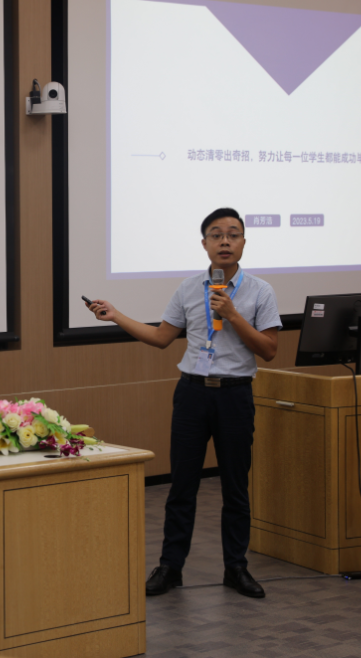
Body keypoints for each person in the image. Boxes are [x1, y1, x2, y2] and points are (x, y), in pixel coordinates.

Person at [88, 207, 281, 599]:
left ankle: (236, 568)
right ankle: (170, 567)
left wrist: (232, 314)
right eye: (216, 234)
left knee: (235, 486)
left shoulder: (261, 291)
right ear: (204, 244)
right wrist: (116, 316)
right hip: (193, 393)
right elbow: (161, 338)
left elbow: (269, 349)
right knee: (182, 486)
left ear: (244, 242)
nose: (224, 241)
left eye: (233, 234)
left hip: (235, 395)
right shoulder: (189, 288)